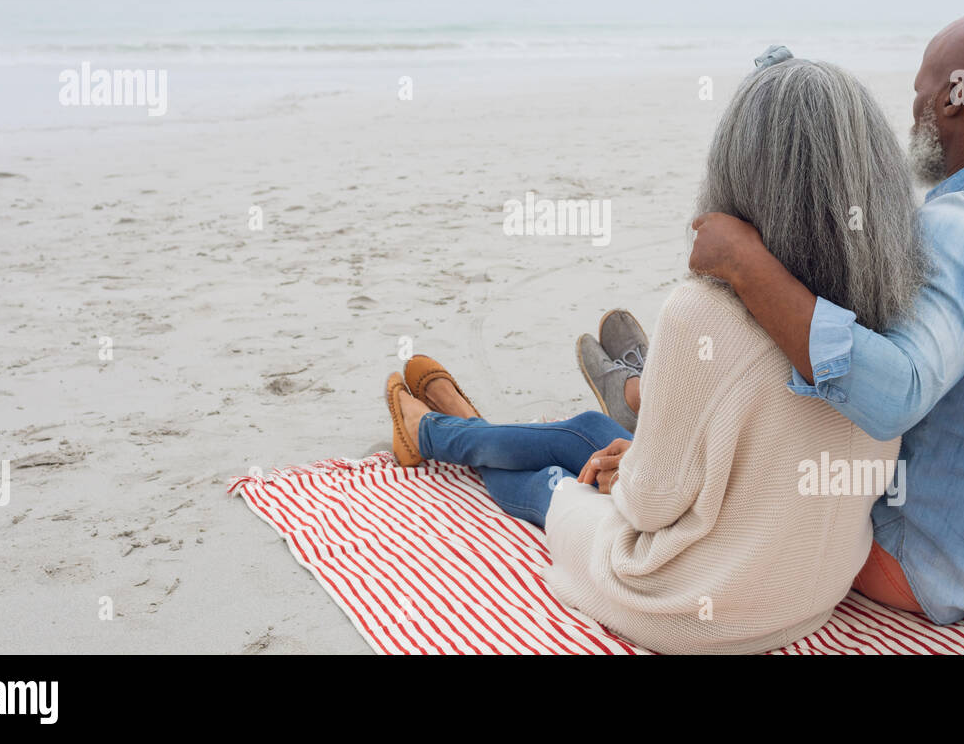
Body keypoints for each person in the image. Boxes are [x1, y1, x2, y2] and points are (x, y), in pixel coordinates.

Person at [384, 55, 925, 653]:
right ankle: (449, 428)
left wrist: (637, 471)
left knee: (554, 480)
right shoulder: (896, 305)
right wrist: (643, 458)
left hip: (687, 606)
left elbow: (647, 505)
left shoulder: (705, 313)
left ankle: (443, 432)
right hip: (811, 594)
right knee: (593, 428)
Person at [689, 11, 964, 626]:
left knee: (729, 455)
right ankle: (648, 404)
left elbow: (895, 393)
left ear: (955, 98)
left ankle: (636, 408)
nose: (913, 115)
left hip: (925, 563)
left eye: (920, 93)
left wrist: (747, 264)